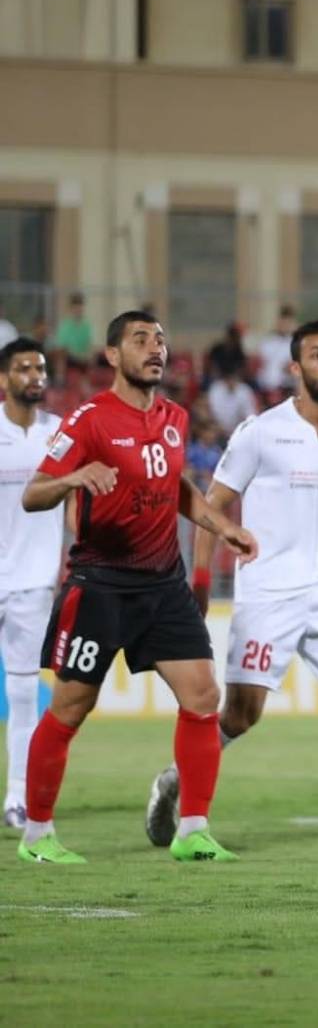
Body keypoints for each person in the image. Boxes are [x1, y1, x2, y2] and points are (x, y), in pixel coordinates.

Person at [147, 319, 318, 849]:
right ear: (295, 368)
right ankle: (173, 781)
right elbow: (211, 508)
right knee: (242, 717)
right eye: (316, 355)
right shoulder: (260, 432)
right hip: (267, 594)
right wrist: (200, 580)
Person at [17, 310, 258, 863]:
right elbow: (34, 494)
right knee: (72, 707)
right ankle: (37, 836)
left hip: (162, 583)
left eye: (161, 340)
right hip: (100, 585)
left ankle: (192, 828)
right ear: (112, 356)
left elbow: (175, 485)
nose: (156, 348)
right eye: (140, 340)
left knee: (202, 696)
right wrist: (75, 478)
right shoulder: (88, 420)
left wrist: (224, 527)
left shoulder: (174, 417)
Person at [0, 340, 63, 829]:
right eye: (23, 368)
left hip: (33, 585)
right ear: (4, 380)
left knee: (23, 695)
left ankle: (17, 796)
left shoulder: (60, 436)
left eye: (39, 368)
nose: (34, 375)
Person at [253, 306, 297, 395]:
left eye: (288, 322)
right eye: (282, 322)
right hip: (265, 387)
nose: (284, 325)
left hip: (286, 387)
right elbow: (259, 364)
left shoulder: (294, 343)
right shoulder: (267, 342)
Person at [205, 366, 260, 433]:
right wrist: (219, 428)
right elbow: (211, 411)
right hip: (217, 430)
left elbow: (250, 415)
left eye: (234, 378)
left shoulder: (245, 390)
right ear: (225, 379)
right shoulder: (215, 389)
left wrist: (240, 429)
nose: (231, 381)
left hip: (239, 430)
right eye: (229, 379)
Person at [52, 295, 93, 378]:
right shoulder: (65, 325)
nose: (78, 310)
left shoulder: (86, 326)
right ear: (71, 308)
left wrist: (86, 355)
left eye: (80, 308)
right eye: (76, 308)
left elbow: (89, 345)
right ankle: (60, 379)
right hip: (70, 358)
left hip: (83, 358)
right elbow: (62, 346)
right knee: (61, 355)